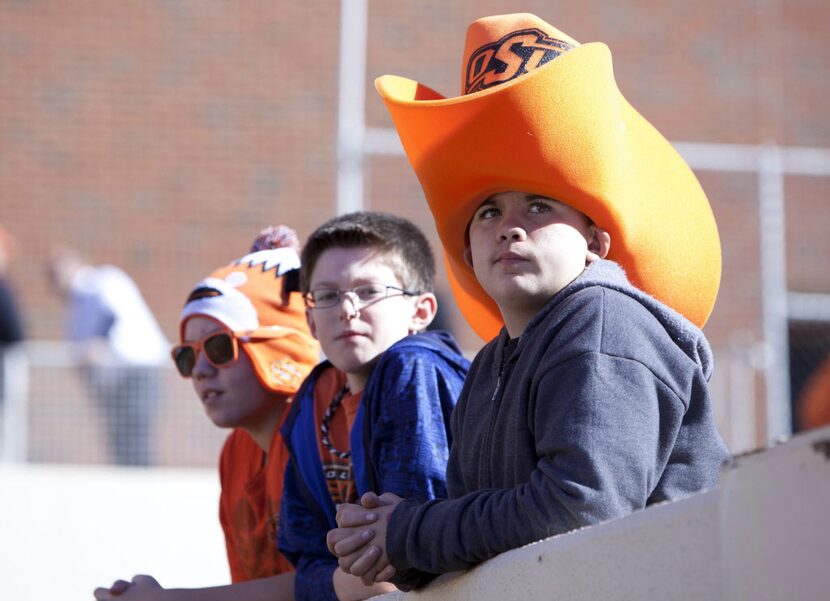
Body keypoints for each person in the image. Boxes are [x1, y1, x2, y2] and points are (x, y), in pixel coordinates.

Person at [328, 13, 730, 590]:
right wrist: (389, 544)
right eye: (488, 212)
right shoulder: (492, 361)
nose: (509, 228)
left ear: (595, 243)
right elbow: (490, 534)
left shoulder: (602, 321)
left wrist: (413, 531)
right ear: (467, 249)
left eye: (539, 206)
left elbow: (584, 507)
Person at [93, 225, 321, 601]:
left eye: (218, 347)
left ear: (280, 346)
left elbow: (338, 585)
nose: (199, 370)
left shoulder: (320, 434)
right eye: (187, 354)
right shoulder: (236, 452)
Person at [278, 211, 470, 601]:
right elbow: (304, 553)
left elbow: (411, 550)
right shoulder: (310, 404)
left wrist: (348, 576)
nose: (347, 309)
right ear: (311, 321)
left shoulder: (414, 366)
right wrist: (340, 580)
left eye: (368, 292)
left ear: (421, 311)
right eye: (328, 295)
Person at [49, 247, 168, 466]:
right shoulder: (74, 307)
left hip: (137, 369)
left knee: (135, 434)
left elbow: (114, 320)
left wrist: (99, 347)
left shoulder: (104, 283)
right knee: (118, 437)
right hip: (112, 380)